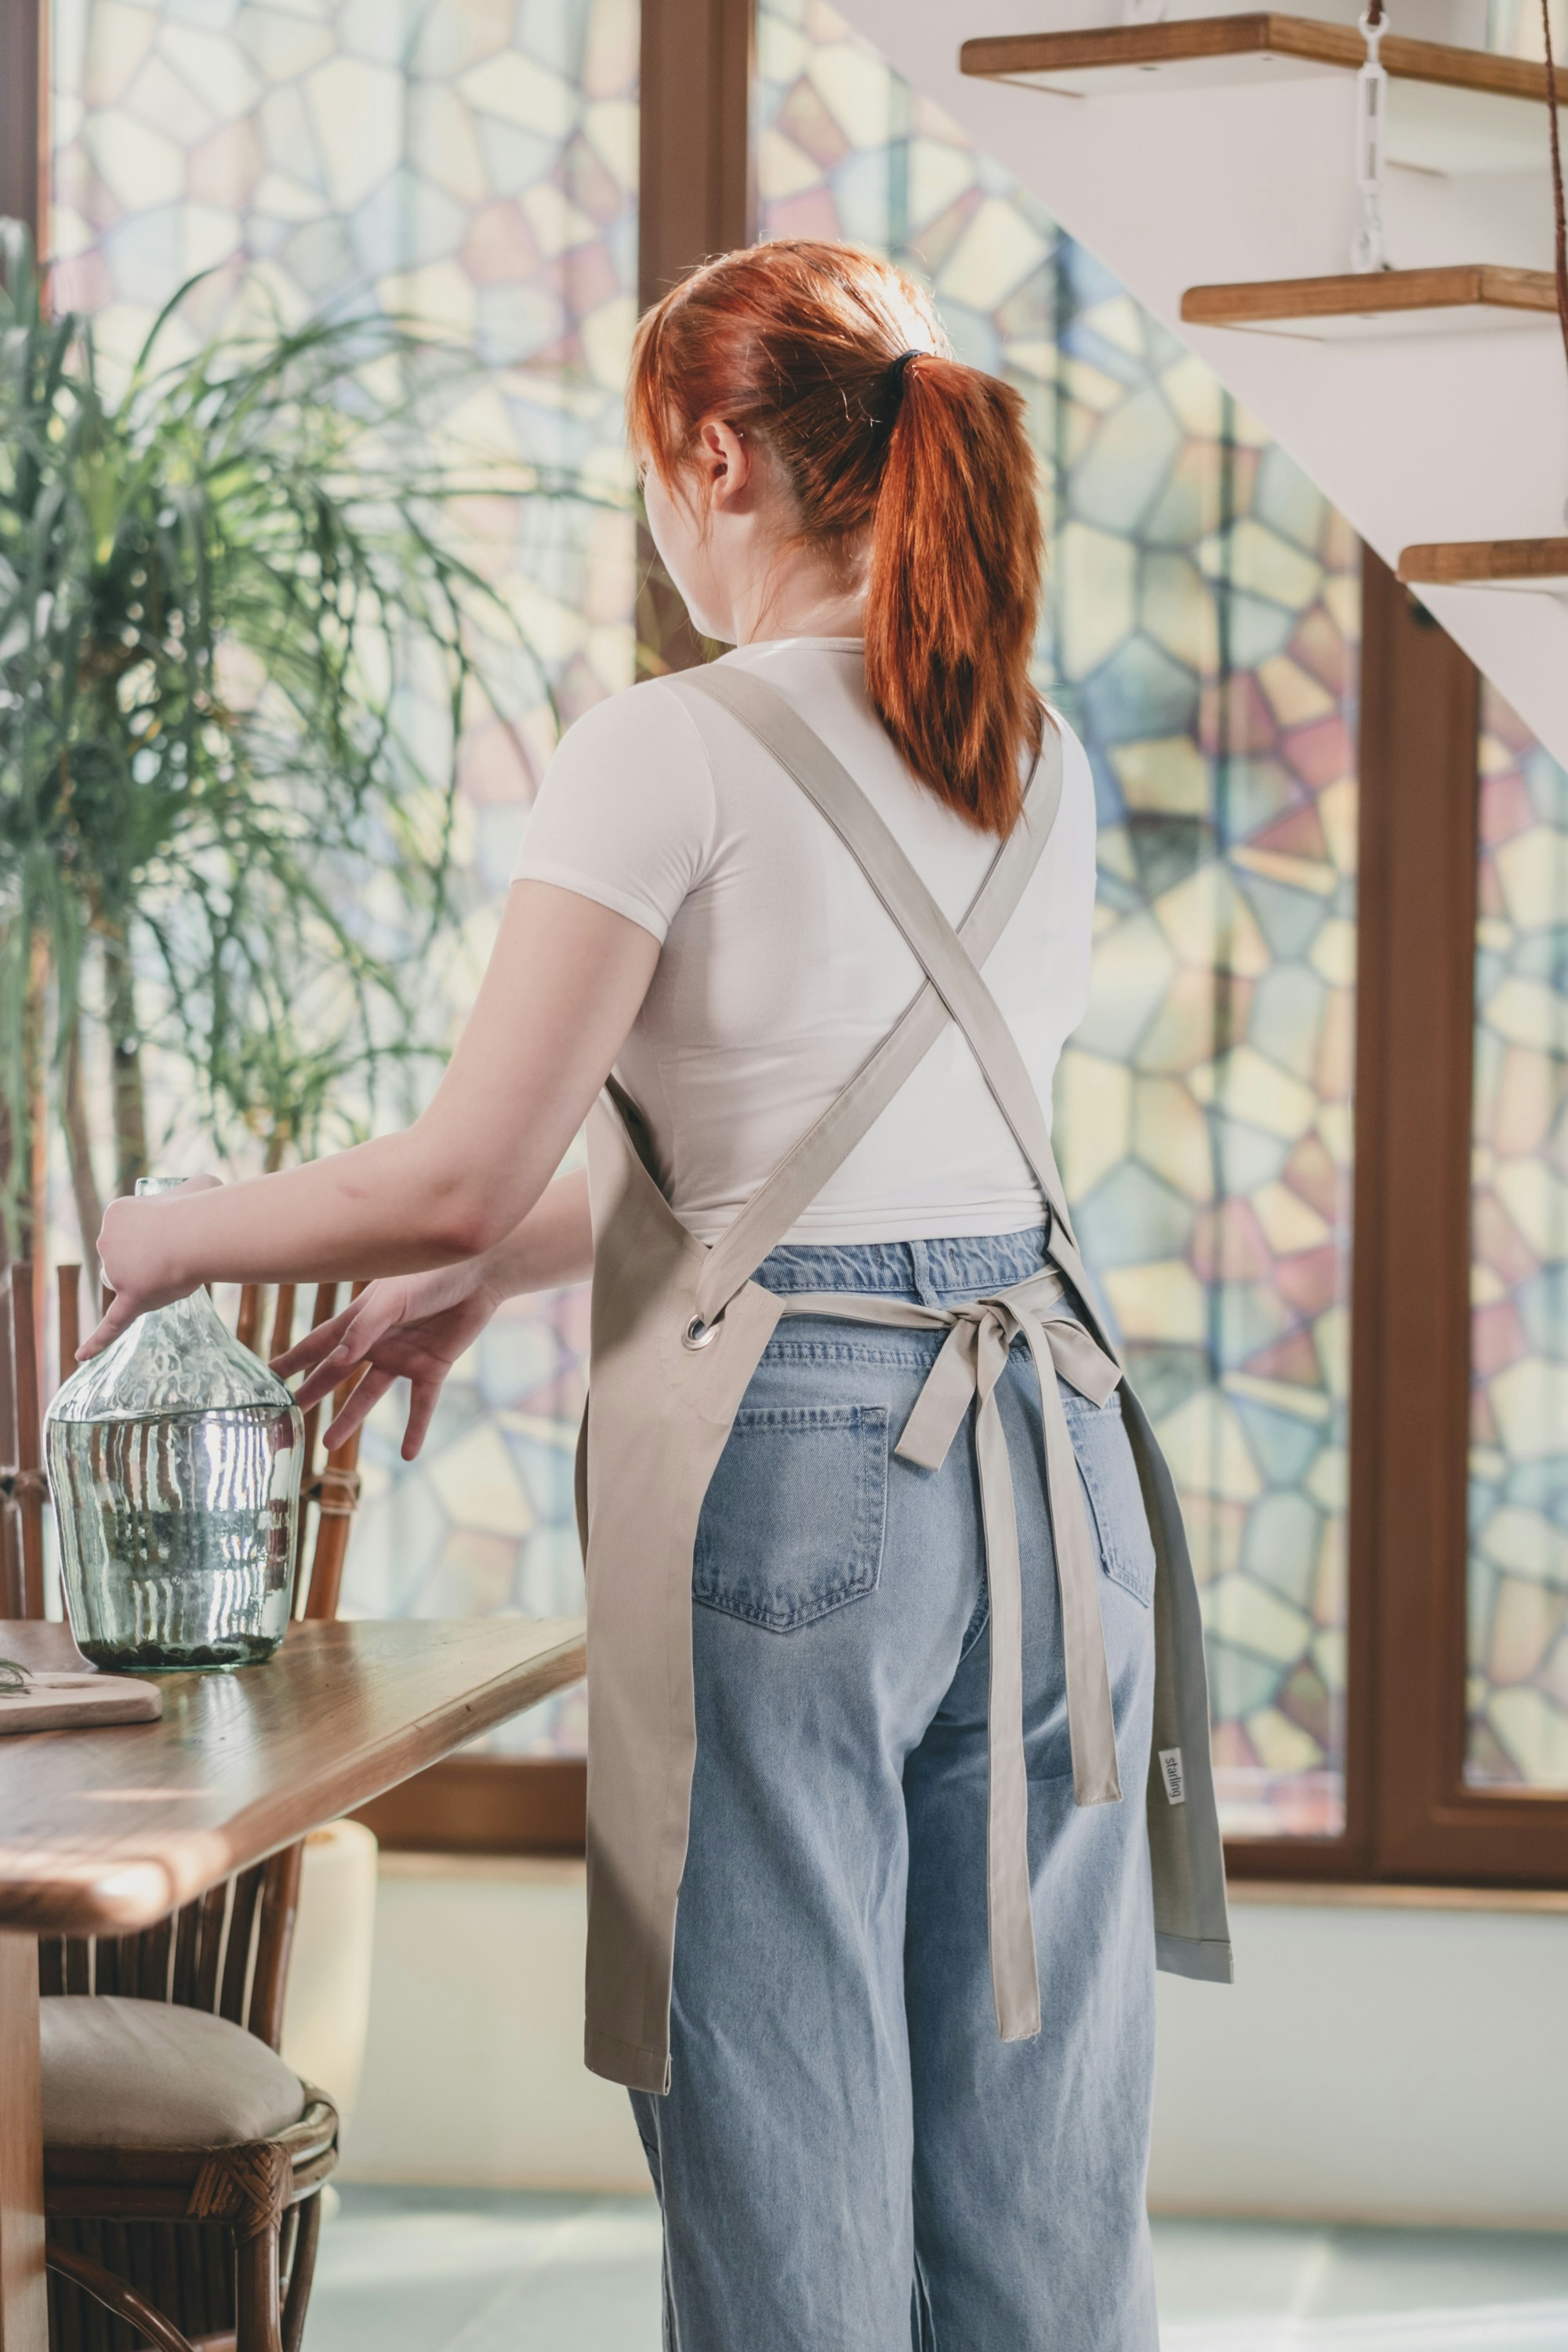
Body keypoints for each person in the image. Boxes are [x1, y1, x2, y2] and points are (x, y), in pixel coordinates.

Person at [86, 238, 1229, 2351]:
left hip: (803, 1463)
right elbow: (835, 1141)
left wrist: (158, 1235)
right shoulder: (1028, 748)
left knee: (786, 2143)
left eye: (646, 471)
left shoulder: (669, 747)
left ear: (717, 456)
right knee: (1043, 2165)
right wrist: (493, 1273)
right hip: (1056, 1450)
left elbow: (464, 1160)